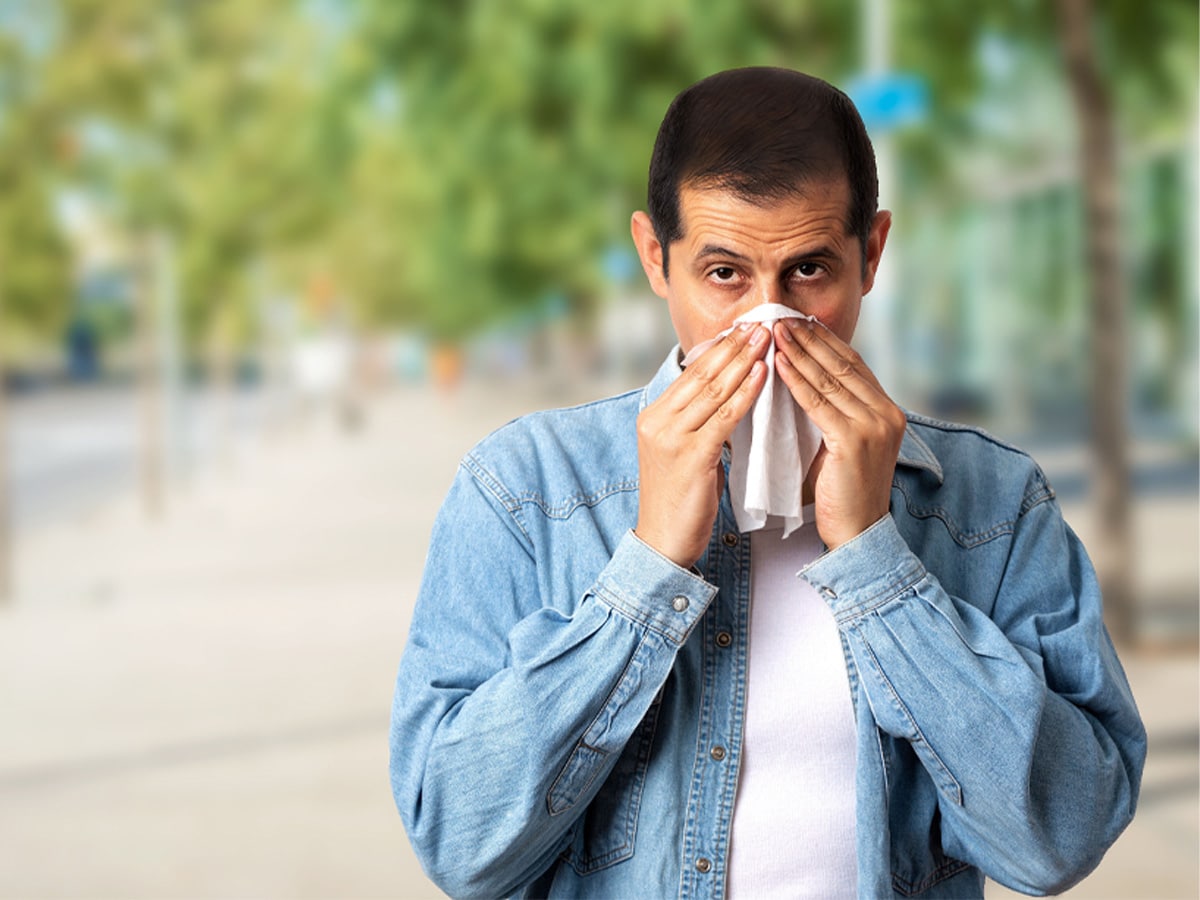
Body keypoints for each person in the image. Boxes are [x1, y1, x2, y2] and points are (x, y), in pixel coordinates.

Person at [389, 67, 1145, 900]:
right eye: (724, 275)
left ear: (872, 255)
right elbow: (460, 845)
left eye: (810, 271)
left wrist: (874, 562)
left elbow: (1060, 842)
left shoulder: (992, 502)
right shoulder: (524, 489)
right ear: (655, 257)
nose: (768, 321)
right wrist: (647, 570)